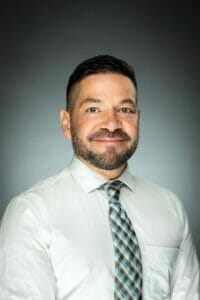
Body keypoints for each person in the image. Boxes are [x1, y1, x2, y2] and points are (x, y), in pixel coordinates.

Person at [0, 55, 199, 300]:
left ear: (138, 118)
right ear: (67, 123)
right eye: (94, 109)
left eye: (125, 109)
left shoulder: (170, 207)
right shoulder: (31, 212)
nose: (113, 123)